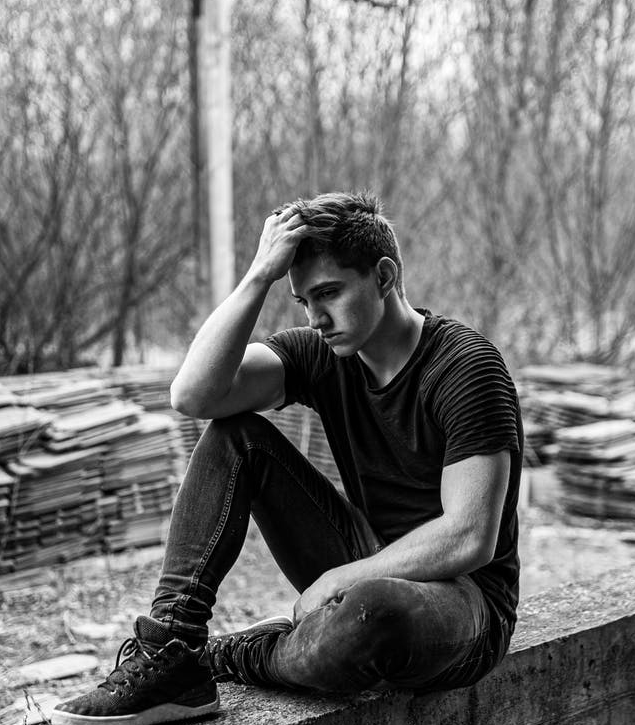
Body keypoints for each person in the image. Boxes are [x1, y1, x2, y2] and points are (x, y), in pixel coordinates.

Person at [52, 192, 523, 725]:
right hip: (365, 557)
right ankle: (174, 646)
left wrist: (341, 580)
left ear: (385, 277)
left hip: (464, 605)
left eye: (329, 293)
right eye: (303, 301)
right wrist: (258, 276)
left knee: (372, 613)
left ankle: (233, 656)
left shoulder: (466, 367)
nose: (317, 317)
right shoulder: (322, 354)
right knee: (237, 435)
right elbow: (194, 396)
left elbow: (469, 536)